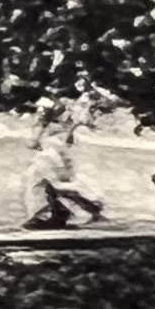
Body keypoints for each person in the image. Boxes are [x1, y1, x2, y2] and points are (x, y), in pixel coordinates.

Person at [20, 88, 101, 229]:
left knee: (41, 180)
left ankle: (86, 203)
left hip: (51, 148)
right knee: (51, 182)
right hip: (60, 147)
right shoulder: (68, 101)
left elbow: (42, 122)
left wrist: (34, 139)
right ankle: (60, 212)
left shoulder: (47, 103)